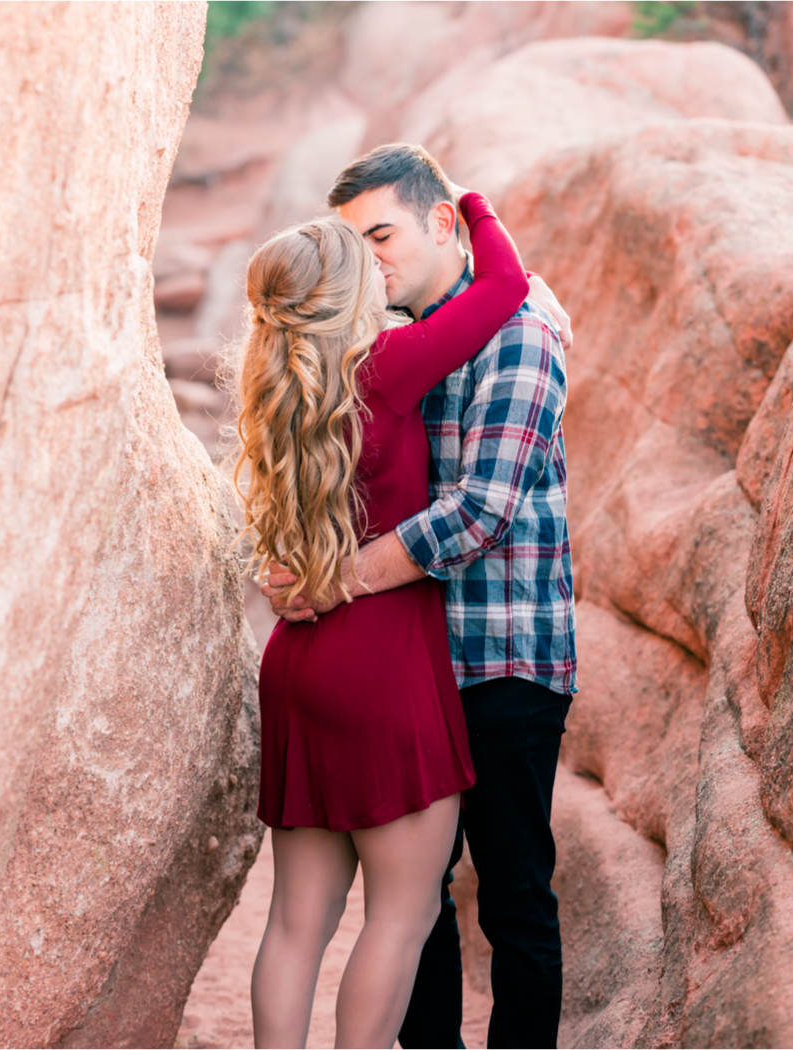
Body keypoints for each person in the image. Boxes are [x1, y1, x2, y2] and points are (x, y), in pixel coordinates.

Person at [264, 144, 578, 1049]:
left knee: (515, 893)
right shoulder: (390, 347)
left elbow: (480, 510)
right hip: (413, 664)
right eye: (353, 246)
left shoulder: (519, 330)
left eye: (384, 235)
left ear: (443, 223)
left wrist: (329, 578)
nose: (373, 261)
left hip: (504, 657)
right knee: (418, 906)